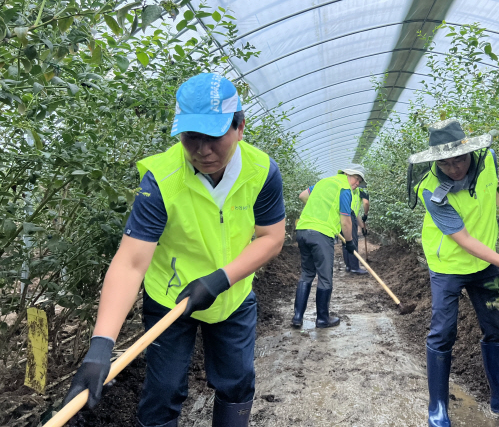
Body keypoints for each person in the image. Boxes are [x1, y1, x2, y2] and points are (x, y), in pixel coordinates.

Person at [63, 73, 286, 427]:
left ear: (240, 127)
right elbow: (131, 261)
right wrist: (101, 346)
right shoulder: (162, 177)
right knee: (164, 389)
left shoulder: (262, 171)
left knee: (237, 380)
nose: (203, 151)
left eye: (214, 137)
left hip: (231, 295)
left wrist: (219, 280)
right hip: (170, 297)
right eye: (190, 138)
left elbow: (271, 237)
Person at [407, 119, 499, 427]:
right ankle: (437, 406)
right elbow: (463, 240)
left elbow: (494, 186)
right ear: (435, 161)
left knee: (496, 327)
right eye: (446, 163)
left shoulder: (487, 158)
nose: (455, 168)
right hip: (448, 266)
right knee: (443, 332)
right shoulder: (430, 189)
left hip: (484, 264)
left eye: (460, 160)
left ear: (471, 152)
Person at [291, 168, 363, 328]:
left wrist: (319, 211)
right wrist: (349, 242)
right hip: (321, 235)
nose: (357, 183)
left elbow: (302, 196)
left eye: (359, 181)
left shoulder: (324, 182)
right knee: (325, 276)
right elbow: (346, 220)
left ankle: (297, 317)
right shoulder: (344, 189)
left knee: (307, 273)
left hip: (303, 230)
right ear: (346, 174)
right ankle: (323, 319)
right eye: (356, 179)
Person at [339, 166, 369, 275]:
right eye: (357, 180)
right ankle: (355, 267)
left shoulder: (348, 190)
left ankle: (349, 266)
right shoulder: (361, 191)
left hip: (344, 216)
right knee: (352, 242)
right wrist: (366, 214)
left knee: (346, 242)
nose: (357, 183)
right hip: (349, 217)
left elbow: (355, 213)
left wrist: (362, 226)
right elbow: (366, 203)